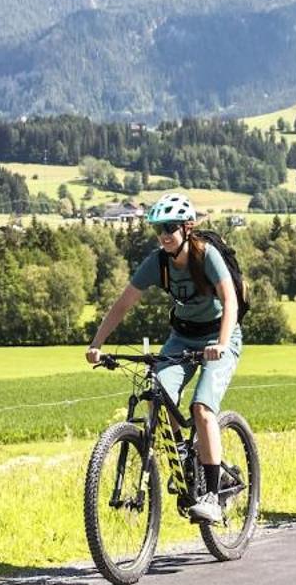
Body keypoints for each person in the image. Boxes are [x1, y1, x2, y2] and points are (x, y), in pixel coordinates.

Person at [85, 193, 241, 524]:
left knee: (201, 407)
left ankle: (213, 495)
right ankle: (185, 458)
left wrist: (222, 343)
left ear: (187, 228)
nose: (164, 235)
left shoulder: (206, 255)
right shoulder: (157, 262)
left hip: (219, 335)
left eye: (170, 227)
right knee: (160, 393)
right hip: (182, 336)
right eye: (159, 229)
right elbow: (123, 304)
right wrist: (97, 343)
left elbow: (230, 301)